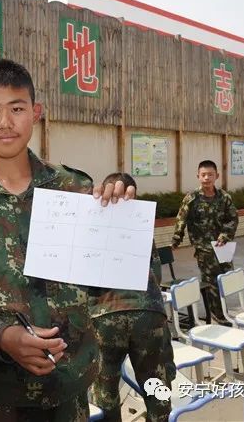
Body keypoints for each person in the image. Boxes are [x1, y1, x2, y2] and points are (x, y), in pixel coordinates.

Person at [0, 59, 135, 421]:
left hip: (68, 384)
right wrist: (2, 337)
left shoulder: (75, 189)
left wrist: (120, 221)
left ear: (36, 113)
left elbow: (103, 287)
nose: (5, 122)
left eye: (17, 109)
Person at [89, 172, 175, 422]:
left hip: (104, 315)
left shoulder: (91, 225)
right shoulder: (141, 226)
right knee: (155, 382)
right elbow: (157, 273)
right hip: (147, 312)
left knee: (105, 387)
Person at [171, 160, 238, 325]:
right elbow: (181, 219)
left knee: (226, 277)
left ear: (217, 176)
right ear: (198, 176)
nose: (207, 178)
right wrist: (177, 238)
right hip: (204, 247)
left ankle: (221, 309)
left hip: (223, 246)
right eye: (203, 175)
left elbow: (232, 219)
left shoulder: (224, 197)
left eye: (210, 175)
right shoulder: (192, 198)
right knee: (211, 280)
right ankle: (217, 314)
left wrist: (225, 235)